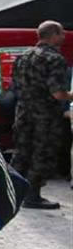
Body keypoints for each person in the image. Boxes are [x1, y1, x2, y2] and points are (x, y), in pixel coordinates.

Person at [10, 20, 72, 209]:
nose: (64, 37)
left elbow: (14, 86)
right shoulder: (54, 59)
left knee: (21, 152)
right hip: (45, 115)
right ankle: (32, 195)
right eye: (61, 33)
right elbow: (58, 93)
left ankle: (12, 192)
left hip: (23, 112)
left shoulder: (23, 56)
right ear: (54, 35)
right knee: (42, 153)